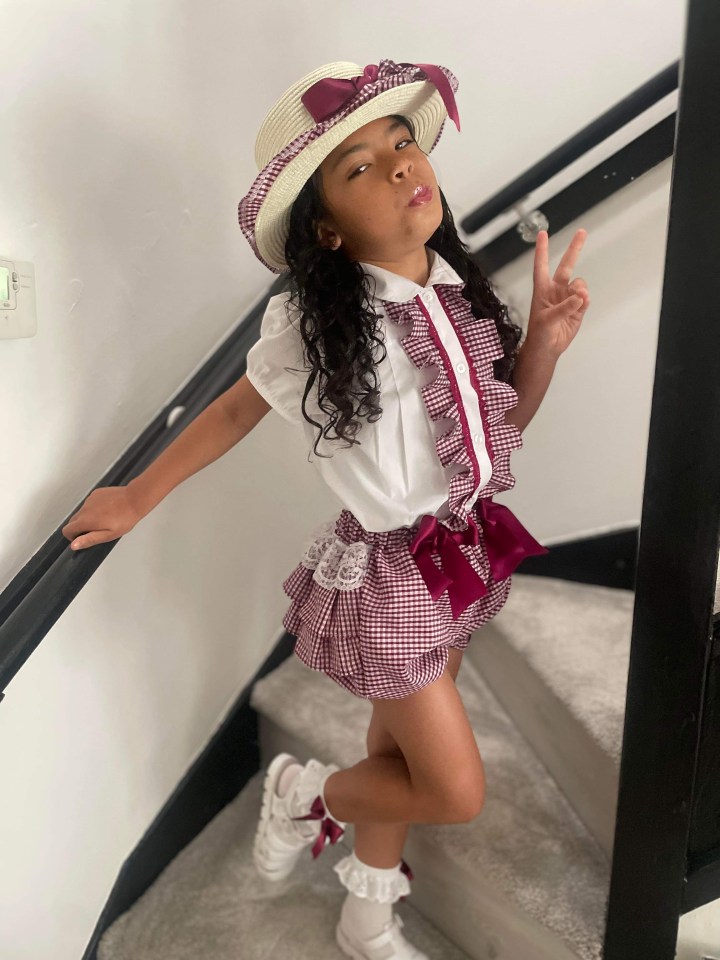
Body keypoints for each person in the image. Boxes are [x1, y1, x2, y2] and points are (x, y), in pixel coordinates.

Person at [62, 58, 590, 960]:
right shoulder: (314, 326)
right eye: (357, 168)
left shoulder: (456, 297)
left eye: (400, 143)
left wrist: (541, 341)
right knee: (454, 791)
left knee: (400, 762)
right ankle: (305, 795)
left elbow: (498, 434)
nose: (395, 166)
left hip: (457, 552)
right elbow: (233, 409)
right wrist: (137, 497)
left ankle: (364, 920)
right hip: (389, 578)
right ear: (330, 233)